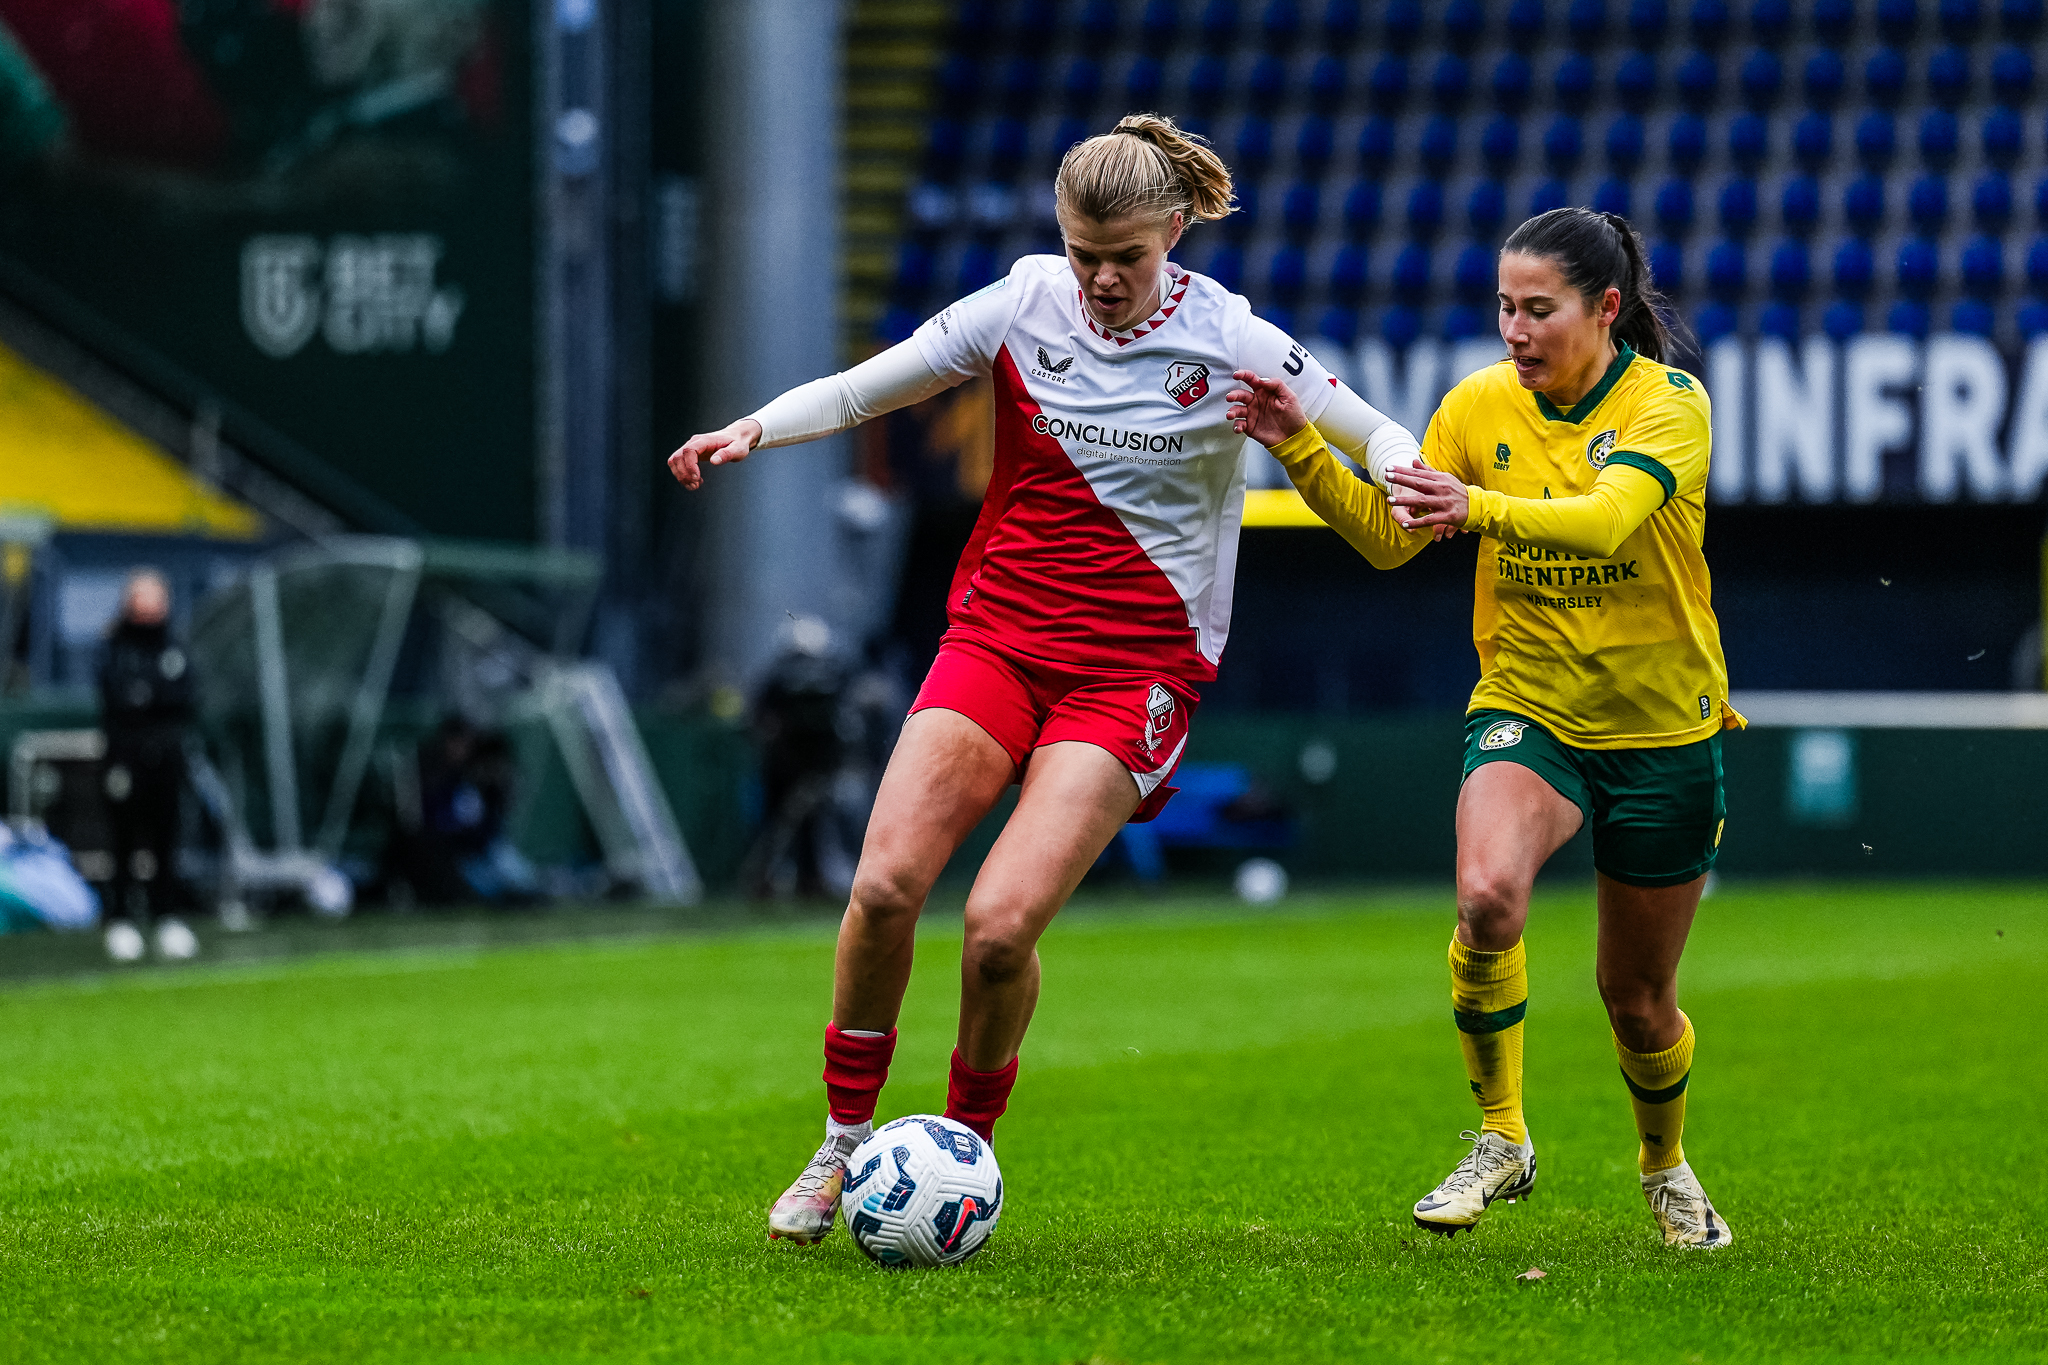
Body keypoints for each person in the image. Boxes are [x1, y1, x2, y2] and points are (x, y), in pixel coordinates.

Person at [668, 113, 1428, 1247]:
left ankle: (963, 1149)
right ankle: (840, 1141)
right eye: (1084, 254)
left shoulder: (1232, 337)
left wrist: (1413, 475)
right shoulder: (1023, 301)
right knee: (884, 886)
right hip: (998, 640)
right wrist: (753, 430)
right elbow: (868, 388)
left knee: (996, 931)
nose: (1102, 279)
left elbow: (1374, 432)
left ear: (1174, 234)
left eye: (1126, 257)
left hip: (1135, 670)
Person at [1255, 207, 1742, 1248]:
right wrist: (1298, 445)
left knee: (1636, 998)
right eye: (1503, 308)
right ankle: (1502, 1135)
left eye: (1537, 310)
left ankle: (1663, 1165)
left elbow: (1605, 519)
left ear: (1604, 308)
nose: (1514, 331)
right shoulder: (1477, 404)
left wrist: (1474, 508)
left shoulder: (1670, 405)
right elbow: (1391, 538)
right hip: (1529, 703)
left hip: (1660, 729)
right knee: (1484, 898)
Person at [97, 567, 198, 962]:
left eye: (156, 596)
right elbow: (120, 698)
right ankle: (120, 919)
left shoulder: (174, 647)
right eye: (142, 596)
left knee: (166, 841)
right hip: (125, 759)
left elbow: (184, 696)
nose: (150, 606)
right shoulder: (116, 648)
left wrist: (149, 698)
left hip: (167, 760)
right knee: (123, 841)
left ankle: (167, 917)